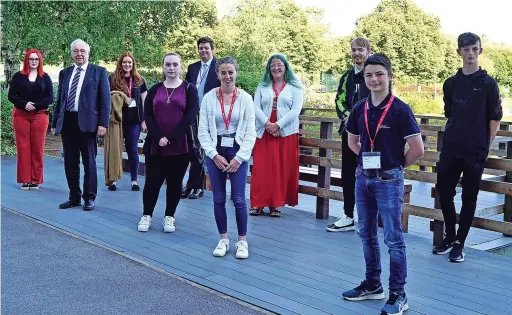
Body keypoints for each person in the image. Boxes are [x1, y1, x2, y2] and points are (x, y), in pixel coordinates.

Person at [341, 53, 424, 315]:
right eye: (369, 75)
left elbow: (418, 149)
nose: (374, 79)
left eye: (379, 74)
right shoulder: (359, 109)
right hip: (363, 179)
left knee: (393, 239)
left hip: (389, 179)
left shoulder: (400, 109)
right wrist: (368, 164)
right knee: (365, 234)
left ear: (389, 76)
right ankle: (372, 284)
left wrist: (395, 166)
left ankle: (399, 294)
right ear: (364, 78)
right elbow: (353, 142)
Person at [433, 32, 502, 263]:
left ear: (480, 51)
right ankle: (450, 236)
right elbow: (450, 113)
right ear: (459, 52)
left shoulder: (489, 84)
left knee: (469, 198)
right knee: (444, 191)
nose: (470, 53)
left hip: (476, 151)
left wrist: (486, 146)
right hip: (452, 147)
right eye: (465, 49)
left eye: (474, 49)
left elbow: (494, 118)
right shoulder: (450, 84)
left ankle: (460, 244)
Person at [198, 56, 256, 259]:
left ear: (236, 73)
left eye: (230, 72)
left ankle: (242, 241)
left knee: (239, 199)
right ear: (218, 75)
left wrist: (240, 158)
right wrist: (213, 155)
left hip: (237, 150)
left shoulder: (246, 99)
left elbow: (250, 132)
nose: (227, 76)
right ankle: (223, 238)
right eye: (223, 72)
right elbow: (202, 130)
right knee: (218, 198)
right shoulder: (208, 98)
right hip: (216, 150)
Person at [137, 52, 199, 233]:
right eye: (168, 65)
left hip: (180, 145)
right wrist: (158, 136)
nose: (171, 68)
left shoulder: (189, 89)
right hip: (156, 144)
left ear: (181, 66)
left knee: (175, 182)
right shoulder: (155, 89)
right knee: (152, 182)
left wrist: (171, 137)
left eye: (175, 65)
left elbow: (190, 115)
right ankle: (147, 215)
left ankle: (169, 216)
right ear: (163, 67)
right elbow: (147, 114)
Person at [52, 39, 111, 211]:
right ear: (72, 53)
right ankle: (74, 197)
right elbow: (60, 100)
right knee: (70, 163)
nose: (79, 54)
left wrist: (103, 123)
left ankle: (89, 198)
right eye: (76, 51)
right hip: (68, 122)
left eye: (82, 51)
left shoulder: (99, 72)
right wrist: (55, 122)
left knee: (89, 163)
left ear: (88, 53)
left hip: (88, 124)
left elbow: (105, 101)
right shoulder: (65, 73)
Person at [249, 54, 303, 217]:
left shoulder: (295, 87)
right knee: (262, 168)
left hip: (285, 132)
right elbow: (256, 107)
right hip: (264, 130)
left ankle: (275, 204)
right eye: (273, 65)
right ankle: (257, 203)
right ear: (268, 68)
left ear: (285, 67)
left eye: (279, 64)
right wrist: (268, 125)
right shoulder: (262, 86)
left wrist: (278, 125)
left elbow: (296, 110)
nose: (276, 68)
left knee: (280, 168)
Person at [326, 37, 371, 232]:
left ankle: (368, 217)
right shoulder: (347, 77)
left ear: (368, 51)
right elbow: (339, 100)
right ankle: (348, 215)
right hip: (349, 132)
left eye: (360, 50)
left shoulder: (373, 74)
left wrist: (364, 123)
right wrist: (348, 118)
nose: (356, 54)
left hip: (370, 135)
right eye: (353, 50)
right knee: (348, 173)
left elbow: (379, 100)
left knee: (369, 172)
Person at [8, 48, 54, 190]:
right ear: (26, 60)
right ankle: (25, 179)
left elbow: (50, 98)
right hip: (21, 115)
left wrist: (35, 106)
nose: (33, 61)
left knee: (37, 148)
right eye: (31, 59)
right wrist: (24, 104)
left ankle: (35, 180)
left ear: (40, 61)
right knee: (23, 148)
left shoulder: (45, 77)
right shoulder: (18, 77)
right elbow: (12, 96)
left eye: (36, 59)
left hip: (39, 115)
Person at [183, 36, 221, 199]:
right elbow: (184, 88)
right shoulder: (192, 68)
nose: (203, 50)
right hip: (192, 113)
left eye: (206, 48)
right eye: (201, 48)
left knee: (202, 149)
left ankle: (195, 187)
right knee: (194, 149)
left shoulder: (219, 66)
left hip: (210, 113)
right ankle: (194, 186)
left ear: (212, 49)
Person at [108, 52, 148, 191]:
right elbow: (106, 97)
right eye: (124, 62)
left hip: (134, 121)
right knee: (115, 150)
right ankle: (112, 180)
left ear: (133, 64)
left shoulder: (139, 80)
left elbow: (145, 101)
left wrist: (144, 121)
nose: (127, 64)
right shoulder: (112, 79)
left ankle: (134, 180)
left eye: (130, 62)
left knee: (132, 150)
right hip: (117, 121)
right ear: (120, 63)